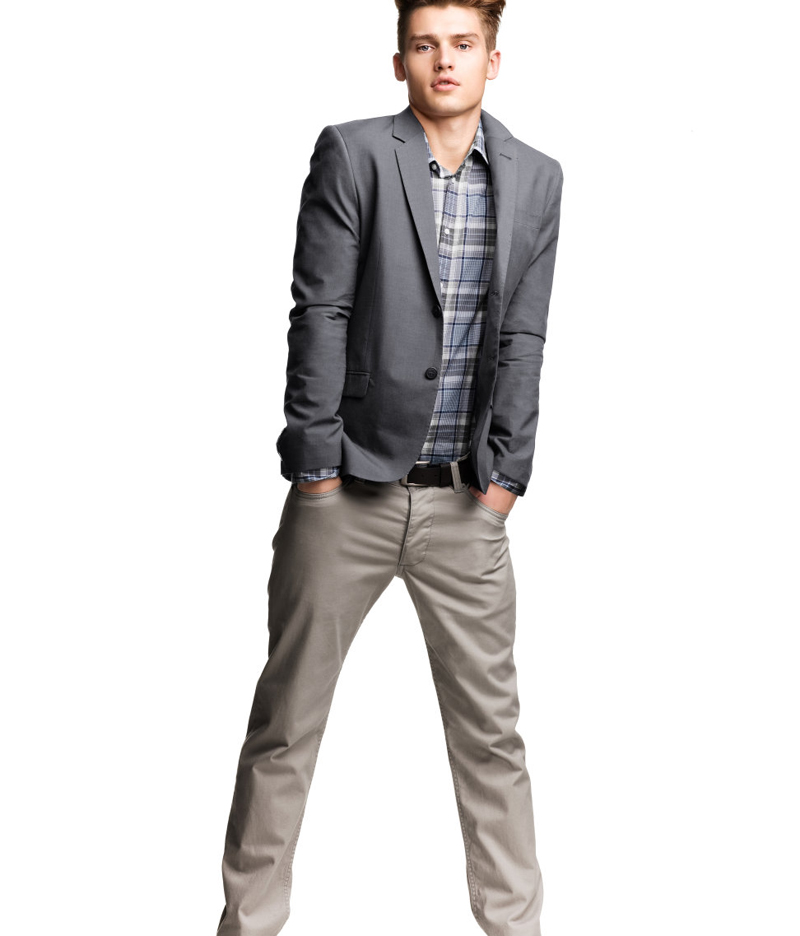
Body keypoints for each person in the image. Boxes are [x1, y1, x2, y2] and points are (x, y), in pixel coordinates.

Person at [215, 1, 563, 933]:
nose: (444, 61)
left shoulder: (538, 177)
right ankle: (248, 924)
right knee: (287, 726)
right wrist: (315, 466)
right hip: (346, 495)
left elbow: (524, 335)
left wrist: (505, 479)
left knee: (492, 740)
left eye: (463, 45)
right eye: (425, 44)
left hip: (466, 504)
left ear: (494, 59)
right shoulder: (355, 152)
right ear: (399, 59)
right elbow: (319, 310)